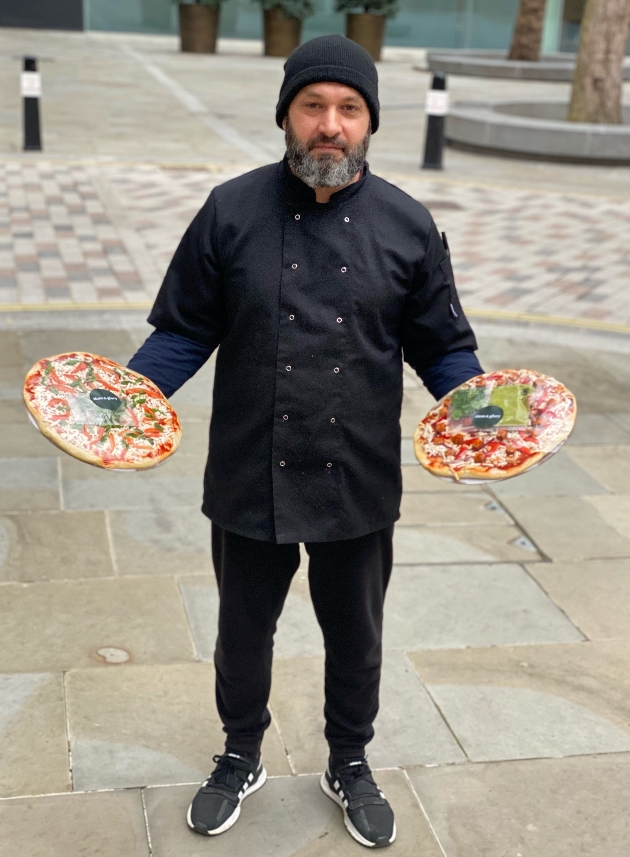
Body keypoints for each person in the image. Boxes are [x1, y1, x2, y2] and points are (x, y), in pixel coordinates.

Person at [128, 35, 482, 849]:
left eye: (348, 109)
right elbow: (183, 331)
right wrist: (125, 401)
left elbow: (443, 347)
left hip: (358, 476)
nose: (330, 125)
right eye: (313, 106)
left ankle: (349, 760)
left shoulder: (406, 224)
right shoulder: (230, 209)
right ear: (286, 114)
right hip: (251, 468)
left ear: (370, 123)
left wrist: (480, 410)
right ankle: (240, 751)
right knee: (242, 630)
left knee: (356, 633)